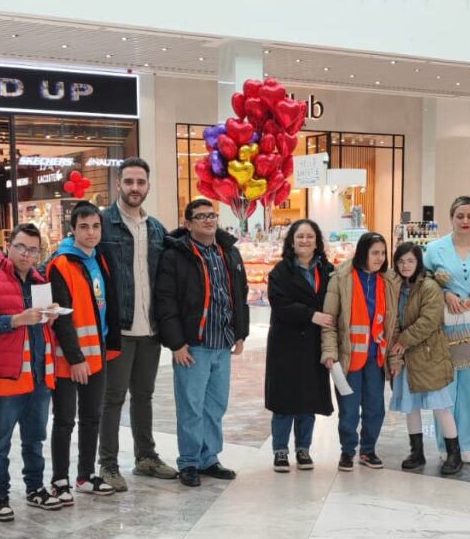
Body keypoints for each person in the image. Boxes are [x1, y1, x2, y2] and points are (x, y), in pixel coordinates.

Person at [154, 198, 249, 488]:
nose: (209, 220)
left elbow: (239, 293)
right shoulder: (175, 255)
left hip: (222, 343)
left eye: (212, 215)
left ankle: (209, 459)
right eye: (201, 216)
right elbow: (165, 301)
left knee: (215, 407)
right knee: (191, 407)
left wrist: (240, 333)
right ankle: (189, 462)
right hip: (193, 346)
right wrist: (176, 344)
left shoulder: (228, 251)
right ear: (188, 223)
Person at [98, 158, 176, 491]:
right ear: (118, 184)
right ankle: (108, 464)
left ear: (148, 186)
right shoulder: (102, 223)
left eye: (140, 182)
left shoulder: (156, 229)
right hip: (119, 329)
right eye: (128, 181)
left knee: (143, 395)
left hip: (150, 329)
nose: (134, 188)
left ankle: (146, 457)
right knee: (113, 397)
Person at [0, 223, 61, 521]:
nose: (26, 255)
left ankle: (35, 488)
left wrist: (50, 317)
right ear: (9, 246)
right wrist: (15, 320)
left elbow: (42, 328)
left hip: (39, 374)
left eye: (33, 250)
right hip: (6, 375)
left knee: (34, 438)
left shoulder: (40, 282)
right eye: (21, 247)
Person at [47, 201, 120, 500]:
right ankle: (60, 480)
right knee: (65, 419)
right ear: (73, 229)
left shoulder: (98, 259)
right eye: (84, 227)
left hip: (96, 354)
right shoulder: (61, 264)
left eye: (96, 226)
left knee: (92, 417)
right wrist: (76, 358)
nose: (91, 232)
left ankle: (86, 475)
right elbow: (62, 317)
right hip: (69, 358)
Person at [424, 197, 470, 462]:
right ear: (451, 218)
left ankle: (468, 444)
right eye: (460, 216)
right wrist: (445, 293)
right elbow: (423, 283)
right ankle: (446, 445)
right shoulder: (434, 249)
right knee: (447, 388)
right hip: (447, 327)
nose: (465, 221)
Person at [321, 232, 398, 471]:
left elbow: (393, 324)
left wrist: (395, 358)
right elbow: (329, 320)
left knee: (375, 407)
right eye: (374, 253)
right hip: (348, 357)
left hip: (376, 357)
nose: (379, 258)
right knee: (349, 409)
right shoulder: (341, 278)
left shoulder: (388, 281)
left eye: (383, 253)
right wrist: (329, 352)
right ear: (363, 253)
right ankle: (347, 451)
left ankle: (368, 450)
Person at [265, 219, 335, 473]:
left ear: (317, 242)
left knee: (308, 398)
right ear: (291, 242)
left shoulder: (328, 270)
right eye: (300, 237)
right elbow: (279, 303)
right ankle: (280, 451)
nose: (305, 241)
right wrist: (311, 315)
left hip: (314, 343)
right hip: (286, 343)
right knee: (284, 400)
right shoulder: (280, 271)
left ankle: (303, 448)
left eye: (310, 236)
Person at [388, 242, 462, 476]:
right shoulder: (397, 287)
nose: (405, 265)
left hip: (429, 355)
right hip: (406, 356)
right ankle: (416, 452)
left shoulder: (429, 286)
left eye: (410, 261)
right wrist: (396, 351)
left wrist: (403, 340)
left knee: (440, 406)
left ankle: (454, 454)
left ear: (418, 262)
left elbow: (429, 321)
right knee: (410, 407)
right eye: (401, 261)